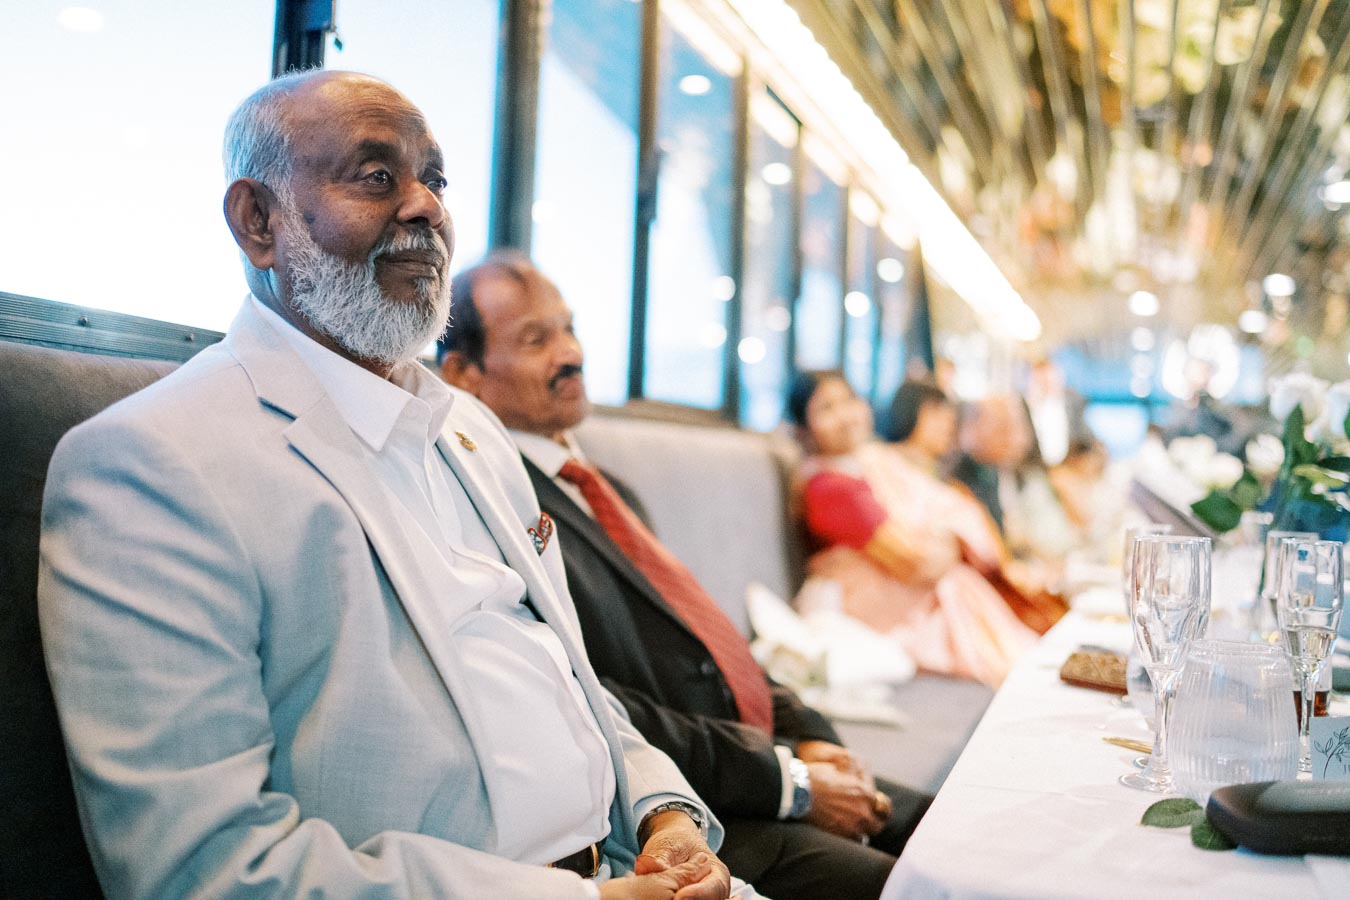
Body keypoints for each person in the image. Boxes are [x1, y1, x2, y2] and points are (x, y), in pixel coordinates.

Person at [37, 71, 750, 900]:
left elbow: (566, 682)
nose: (427, 209)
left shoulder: (471, 430)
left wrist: (666, 817)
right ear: (257, 222)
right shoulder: (152, 464)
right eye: (377, 177)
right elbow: (204, 868)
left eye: (434, 179)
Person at [440, 253, 928, 900]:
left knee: (953, 826)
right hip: (703, 804)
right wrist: (786, 779)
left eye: (570, 328)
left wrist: (811, 734)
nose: (572, 352)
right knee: (921, 886)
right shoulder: (499, 511)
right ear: (462, 375)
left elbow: (708, 642)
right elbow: (593, 700)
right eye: (537, 339)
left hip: (759, 754)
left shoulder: (606, 488)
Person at [790, 373, 1040, 687]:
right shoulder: (832, 487)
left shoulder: (870, 465)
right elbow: (917, 563)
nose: (846, 416)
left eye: (850, 401)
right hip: (868, 612)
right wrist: (954, 543)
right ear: (804, 428)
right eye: (826, 408)